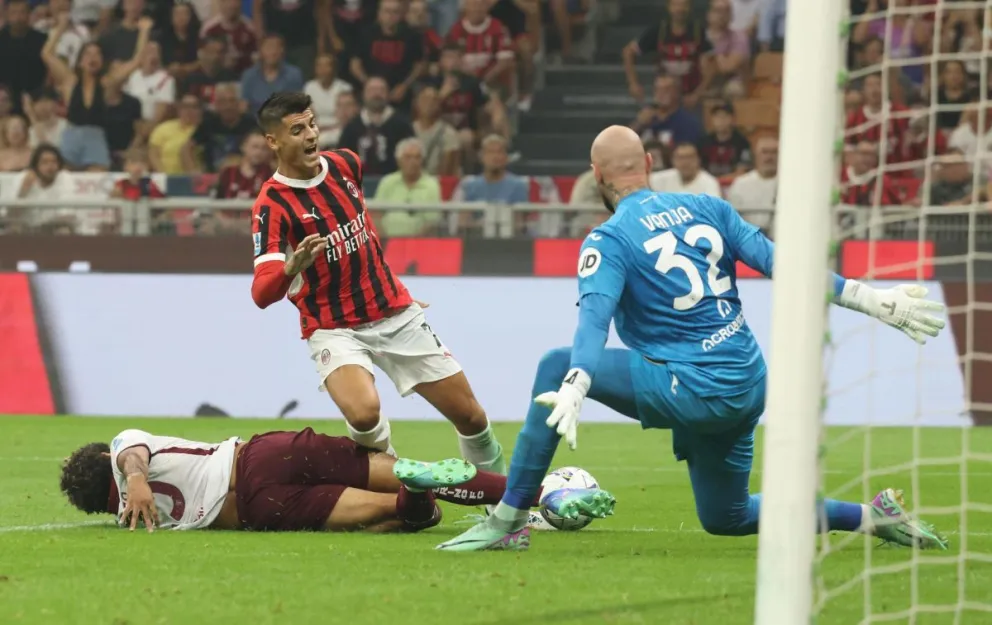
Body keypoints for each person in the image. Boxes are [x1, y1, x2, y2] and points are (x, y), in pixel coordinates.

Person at [438, 125, 951, 552]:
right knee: (725, 516)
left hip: (696, 388)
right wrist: (872, 299)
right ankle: (872, 516)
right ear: (650, 162)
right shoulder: (710, 208)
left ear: (594, 175)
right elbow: (784, 265)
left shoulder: (609, 239)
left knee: (554, 364)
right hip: (747, 382)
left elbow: (593, 323)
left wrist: (575, 382)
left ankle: (508, 521)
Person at [249, 92, 506, 484]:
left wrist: (390, 287)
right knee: (364, 413)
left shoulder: (346, 164)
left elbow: (363, 235)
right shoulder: (272, 204)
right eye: (297, 130)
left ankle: (503, 511)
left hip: (394, 313)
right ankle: (390, 485)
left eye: (312, 124)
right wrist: (291, 267)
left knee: (471, 416)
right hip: (334, 327)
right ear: (273, 141)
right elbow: (262, 294)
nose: (310, 135)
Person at [59, 427, 554, 532]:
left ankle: (413, 502)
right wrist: (136, 474)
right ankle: (536, 492)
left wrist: (137, 483)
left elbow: (132, 462)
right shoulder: (124, 446)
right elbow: (130, 451)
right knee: (397, 470)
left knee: (390, 513)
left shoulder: (132, 515)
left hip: (259, 508)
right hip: (260, 455)